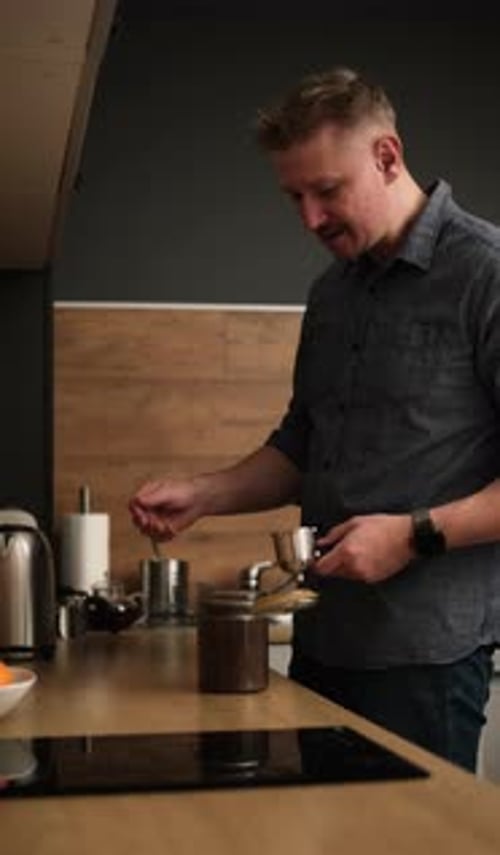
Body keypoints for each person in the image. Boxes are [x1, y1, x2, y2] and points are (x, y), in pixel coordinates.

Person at [129, 66, 500, 772]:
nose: (309, 219)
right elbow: (304, 443)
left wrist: (413, 537)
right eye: (293, 197)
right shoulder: (332, 293)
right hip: (321, 644)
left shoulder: (487, 275)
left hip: (425, 659)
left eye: (326, 191)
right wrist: (204, 494)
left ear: (387, 156)